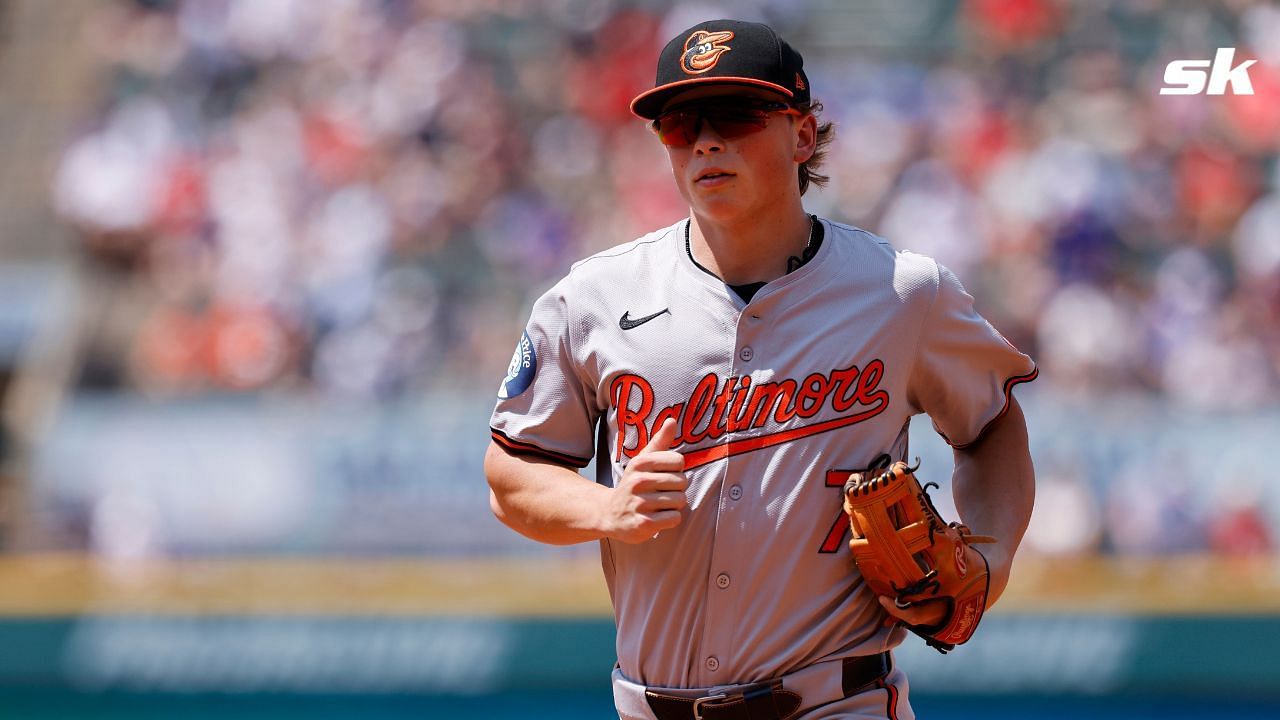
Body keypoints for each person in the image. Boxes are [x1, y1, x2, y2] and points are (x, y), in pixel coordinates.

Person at [485, 19, 1036, 720]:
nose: (707, 141)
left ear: (802, 135)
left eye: (737, 116)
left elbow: (990, 427)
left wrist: (990, 554)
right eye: (680, 123)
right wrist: (607, 508)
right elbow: (511, 476)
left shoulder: (901, 292)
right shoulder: (593, 298)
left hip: (839, 703)